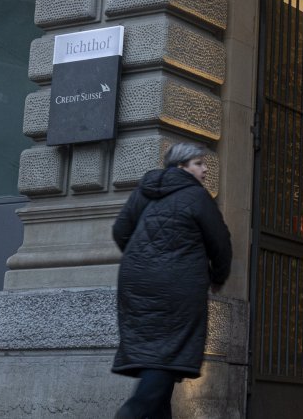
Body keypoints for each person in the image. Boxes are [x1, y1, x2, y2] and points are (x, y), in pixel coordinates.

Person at [111, 141, 233, 419]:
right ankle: (132, 412)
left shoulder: (144, 191)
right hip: (179, 286)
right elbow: (220, 242)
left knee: (157, 354)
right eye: (198, 163)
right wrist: (218, 276)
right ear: (181, 166)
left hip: (135, 284)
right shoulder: (197, 196)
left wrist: (144, 259)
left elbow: (120, 230)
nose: (205, 169)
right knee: (168, 354)